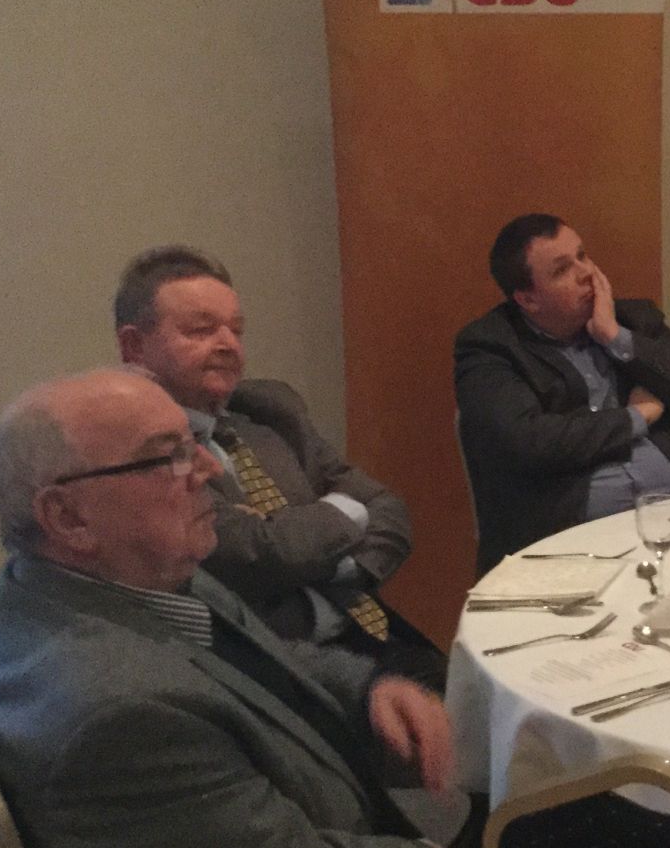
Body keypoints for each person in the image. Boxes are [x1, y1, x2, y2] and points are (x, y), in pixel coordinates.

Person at [0, 368, 522, 848]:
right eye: (166, 456)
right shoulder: (113, 715)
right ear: (68, 516)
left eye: (193, 443)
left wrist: (369, 690)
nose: (210, 469)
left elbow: (275, 656)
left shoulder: (118, 579)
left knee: (534, 831)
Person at [115, 245, 445, 689]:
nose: (228, 344)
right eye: (201, 330)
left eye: (236, 329)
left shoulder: (268, 412)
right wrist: (342, 517)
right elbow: (255, 552)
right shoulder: (132, 449)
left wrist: (334, 567)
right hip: (276, 671)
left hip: (371, 630)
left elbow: (388, 508)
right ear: (134, 346)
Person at [454, 214, 670, 574]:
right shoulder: (491, 347)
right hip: (567, 551)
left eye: (582, 256)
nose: (586, 273)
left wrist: (615, 337)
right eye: (562, 269)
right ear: (528, 298)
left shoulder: (633, 320)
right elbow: (528, 442)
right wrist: (636, 417)